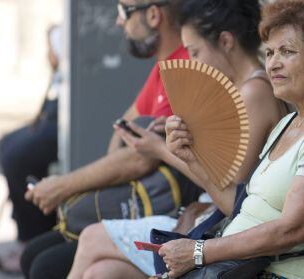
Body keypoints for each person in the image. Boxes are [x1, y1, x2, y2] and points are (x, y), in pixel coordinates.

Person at [66, 0, 288, 277]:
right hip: (206, 221)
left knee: (91, 237)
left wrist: (164, 150)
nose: (193, 64)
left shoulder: (253, 94)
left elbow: (232, 199)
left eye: (194, 52)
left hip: (222, 233)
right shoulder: (237, 88)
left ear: (226, 41)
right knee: (101, 272)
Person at [161, 0, 304, 278]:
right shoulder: (289, 123)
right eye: (271, 52)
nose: (273, 64)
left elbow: (293, 228)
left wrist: (199, 252)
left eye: (287, 52)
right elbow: (240, 209)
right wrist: (191, 159)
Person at [20, 0, 191, 277]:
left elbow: (139, 159)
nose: (118, 21)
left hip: (166, 211)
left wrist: (63, 187)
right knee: (34, 256)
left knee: (44, 265)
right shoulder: (164, 65)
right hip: (136, 204)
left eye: (124, 11)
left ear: (153, 14)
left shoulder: (184, 67)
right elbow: (122, 132)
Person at [0, 25, 63, 274]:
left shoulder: (67, 62)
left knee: (17, 158)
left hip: (63, 121)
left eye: (51, 51)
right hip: (52, 117)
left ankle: (31, 236)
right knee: (6, 144)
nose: (48, 56)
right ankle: (24, 229)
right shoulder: (58, 71)